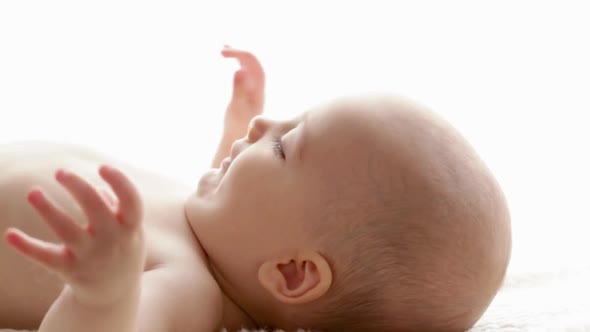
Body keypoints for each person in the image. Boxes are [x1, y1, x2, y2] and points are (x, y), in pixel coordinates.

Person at [0, 46, 511, 332]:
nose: (266, 121)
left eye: (284, 146)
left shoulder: (186, 289)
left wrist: (102, 293)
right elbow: (249, 220)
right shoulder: (217, 234)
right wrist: (234, 136)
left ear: (292, 273)